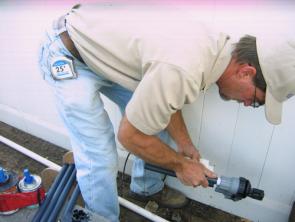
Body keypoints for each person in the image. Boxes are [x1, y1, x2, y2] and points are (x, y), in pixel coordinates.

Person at [38, 4, 294, 222]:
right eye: (257, 100)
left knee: (155, 122)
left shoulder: (214, 49)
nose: (249, 104)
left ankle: (146, 188)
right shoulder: (186, 65)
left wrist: (185, 145)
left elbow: (165, 98)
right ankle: (101, 217)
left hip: (108, 54)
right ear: (246, 72)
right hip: (69, 51)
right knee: (99, 154)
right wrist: (181, 166)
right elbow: (130, 136)